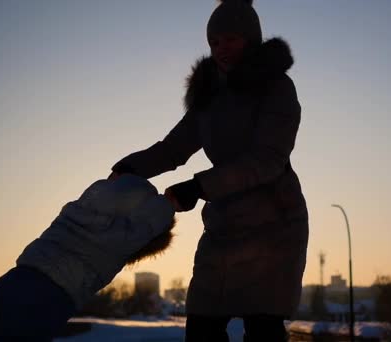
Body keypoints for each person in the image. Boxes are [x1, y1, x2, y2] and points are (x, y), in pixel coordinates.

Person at [109, 0, 308, 340]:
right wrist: (128, 168)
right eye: (214, 42)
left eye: (231, 39)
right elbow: (172, 149)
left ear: (251, 38)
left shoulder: (277, 89)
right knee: (201, 327)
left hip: (273, 226)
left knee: (263, 329)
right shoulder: (209, 97)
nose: (221, 49)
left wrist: (197, 187)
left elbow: (266, 160)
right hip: (224, 226)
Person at [0, 175, 176, 340]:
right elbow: (157, 216)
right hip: (50, 297)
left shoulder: (76, 210)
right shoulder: (121, 237)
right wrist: (174, 199)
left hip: (16, 279)